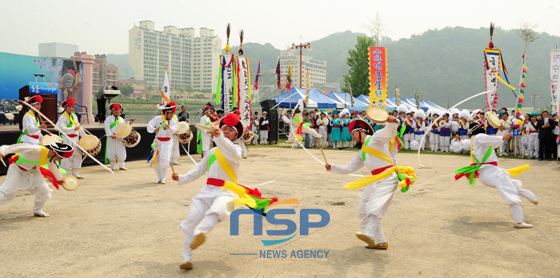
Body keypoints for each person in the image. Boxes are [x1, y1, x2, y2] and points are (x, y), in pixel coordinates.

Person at [172, 112, 276, 270]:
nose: (226, 132)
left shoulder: (236, 151)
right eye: (224, 129)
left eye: (230, 130)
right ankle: (186, 259)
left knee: (218, 210)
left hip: (227, 190)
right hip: (207, 189)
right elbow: (197, 171)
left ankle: (201, 233)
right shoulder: (212, 152)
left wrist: (218, 136)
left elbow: (230, 152)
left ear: (236, 134)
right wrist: (180, 177)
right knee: (192, 218)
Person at [325, 116, 415, 250]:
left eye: (353, 133)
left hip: (388, 177)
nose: (352, 137)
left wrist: (392, 122)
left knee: (375, 206)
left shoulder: (376, 139)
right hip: (375, 179)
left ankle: (369, 234)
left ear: (361, 130)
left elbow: (389, 133)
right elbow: (348, 168)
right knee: (363, 206)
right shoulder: (361, 153)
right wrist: (331, 167)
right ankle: (380, 241)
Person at [454, 122, 538, 228]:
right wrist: (503, 136)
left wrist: (501, 131)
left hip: (489, 173)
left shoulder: (477, 141)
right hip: (492, 173)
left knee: (513, 185)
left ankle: (532, 198)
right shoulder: (479, 137)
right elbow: (494, 140)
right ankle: (519, 222)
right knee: (511, 194)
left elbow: (495, 142)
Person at [0, 142, 74, 217]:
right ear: (53, 152)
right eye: (60, 157)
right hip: (17, 170)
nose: (60, 159)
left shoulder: (51, 158)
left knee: (45, 191)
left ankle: (38, 210)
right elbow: (9, 147)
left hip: (34, 172)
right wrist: (2, 152)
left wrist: (59, 179)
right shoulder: (35, 149)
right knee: (8, 192)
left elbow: (53, 166)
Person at [56, 98, 87, 179]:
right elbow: (61, 129)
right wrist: (73, 129)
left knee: (77, 155)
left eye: (72, 107)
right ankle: (68, 173)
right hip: (67, 139)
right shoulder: (62, 117)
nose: (71, 109)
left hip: (75, 139)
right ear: (65, 107)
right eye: (69, 107)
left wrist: (85, 136)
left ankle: (76, 173)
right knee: (67, 156)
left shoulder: (74, 116)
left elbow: (78, 127)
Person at [147, 102, 178, 184]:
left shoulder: (173, 121)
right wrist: (154, 129)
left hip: (167, 142)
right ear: (165, 113)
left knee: (165, 160)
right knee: (157, 160)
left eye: (172, 113)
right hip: (158, 141)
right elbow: (149, 125)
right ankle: (159, 177)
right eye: (170, 113)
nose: (172, 115)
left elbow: (174, 131)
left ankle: (163, 177)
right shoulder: (157, 118)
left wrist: (168, 127)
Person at [104, 103, 134, 171]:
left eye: (118, 110)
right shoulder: (108, 119)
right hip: (112, 138)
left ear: (120, 110)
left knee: (121, 151)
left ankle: (121, 165)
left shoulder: (121, 119)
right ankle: (113, 166)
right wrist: (110, 135)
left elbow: (124, 127)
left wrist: (129, 123)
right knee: (112, 151)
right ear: (112, 110)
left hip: (120, 138)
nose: (116, 111)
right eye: (115, 110)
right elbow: (107, 128)